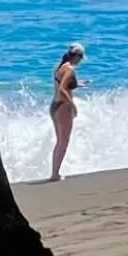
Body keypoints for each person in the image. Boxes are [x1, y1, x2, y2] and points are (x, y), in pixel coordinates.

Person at [49, 43, 86, 181]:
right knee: (63, 142)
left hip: (54, 106)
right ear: (76, 56)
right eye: (80, 57)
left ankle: (54, 172)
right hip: (63, 107)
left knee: (60, 141)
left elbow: (62, 83)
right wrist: (73, 105)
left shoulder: (60, 66)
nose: (80, 61)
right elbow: (63, 90)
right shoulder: (69, 69)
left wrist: (78, 84)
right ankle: (55, 174)